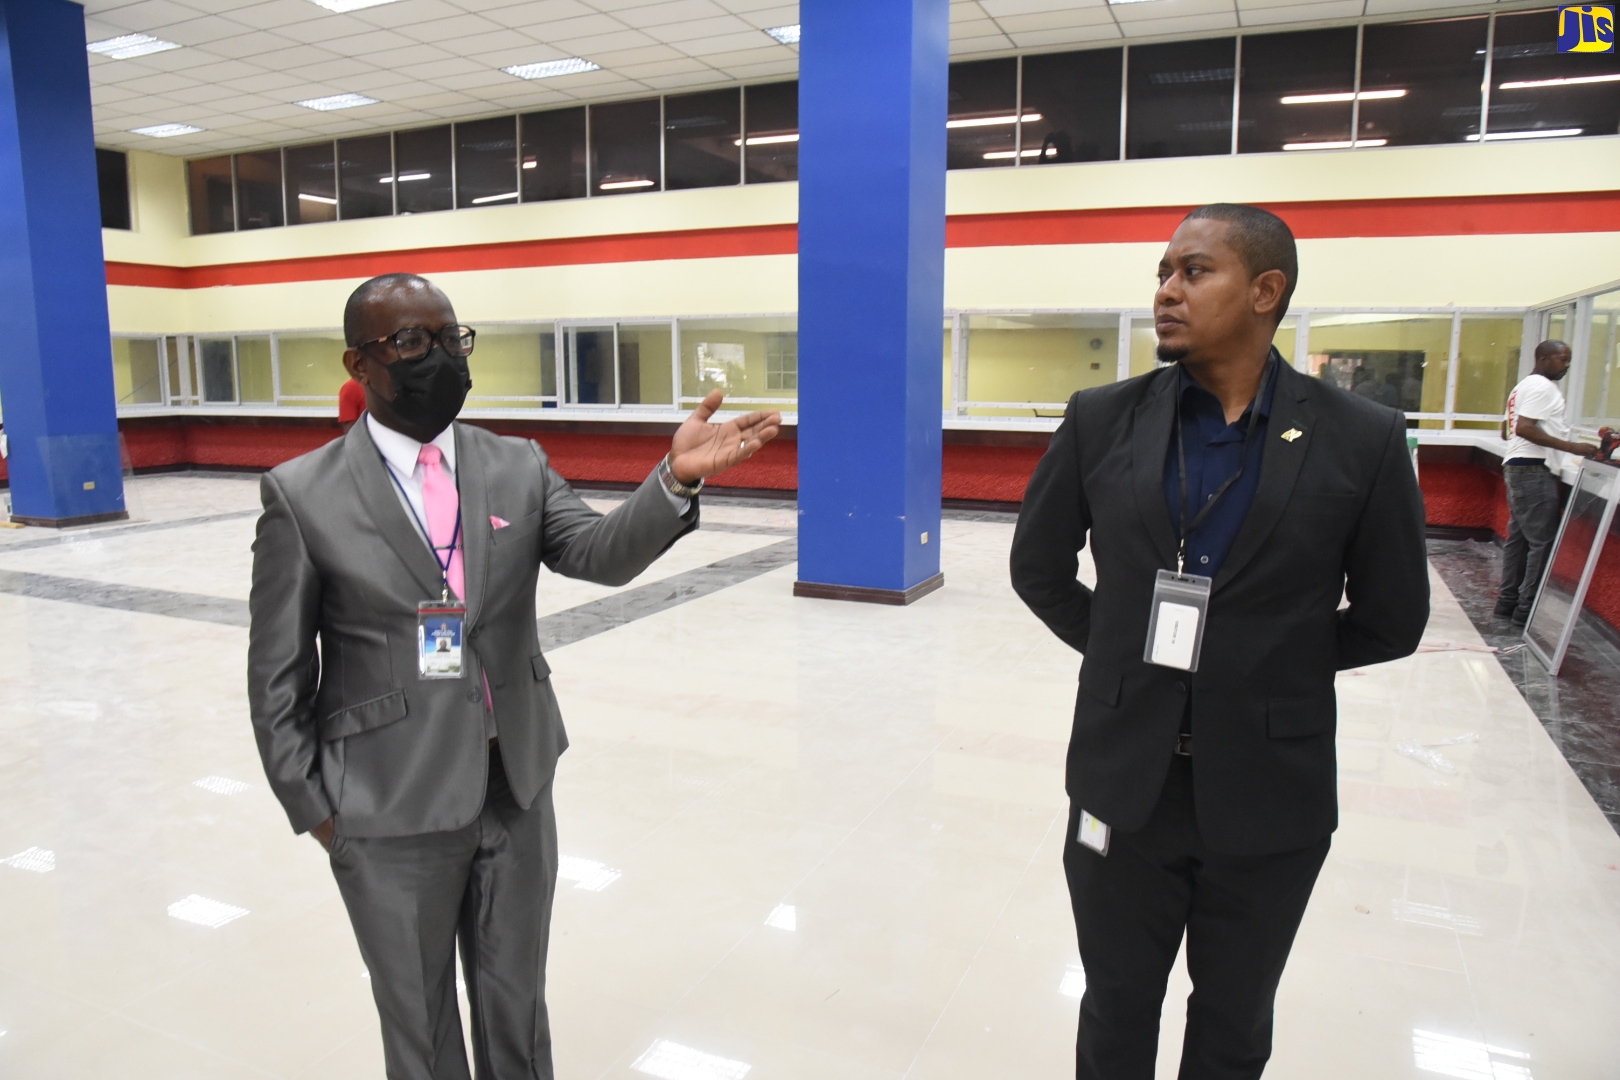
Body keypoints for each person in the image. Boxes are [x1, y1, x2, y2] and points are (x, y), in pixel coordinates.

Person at [247, 273, 780, 1080]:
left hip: (516, 786)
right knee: (420, 1028)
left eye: (450, 336)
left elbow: (597, 556)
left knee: (517, 1009)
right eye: (411, 342)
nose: (440, 357)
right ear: (359, 363)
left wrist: (674, 480)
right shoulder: (301, 495)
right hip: (389, 806)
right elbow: (277, 676)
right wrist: (319, 814)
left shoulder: (515, 464)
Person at [1010, 204, 1430, 1080]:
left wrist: (1258, 670)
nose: (1167, 291)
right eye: (1162, 273)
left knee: (1235, 1023)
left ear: (1266, 291)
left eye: (1193, 272)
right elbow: (1039, 569)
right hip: (1122, 788)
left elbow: (1394, 619)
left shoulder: (1363, 437)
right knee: (1115, 1006)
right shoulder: (1102, 419)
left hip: (1272, 795)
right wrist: (1127, 657)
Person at [1495, 340, 1599, 624]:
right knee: (1542, 542)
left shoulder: (1523, 386)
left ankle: (1507, 603)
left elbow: (1505, 430)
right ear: (1542, 358)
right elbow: (1524, 428)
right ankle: (1525, 610)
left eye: (1568, 360)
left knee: (1519, 539)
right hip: (1533, 470)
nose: (1566, 365)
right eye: (1562, 359)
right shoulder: (1543, 387)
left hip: (1518, 467)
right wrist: (1571, 447)